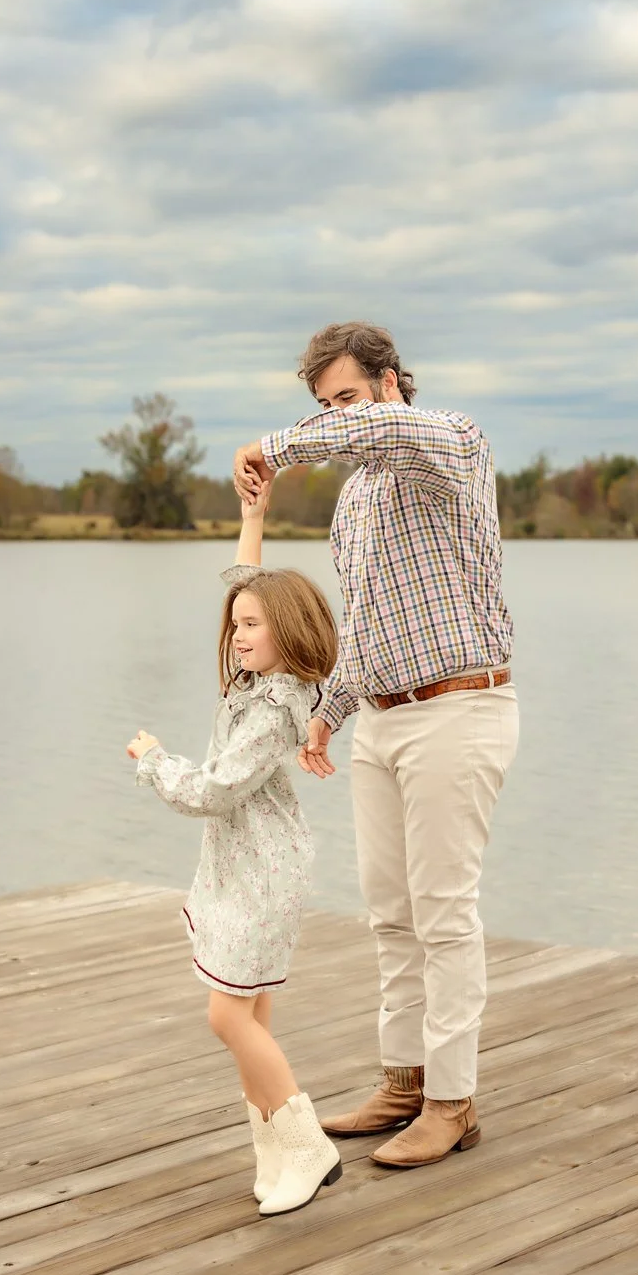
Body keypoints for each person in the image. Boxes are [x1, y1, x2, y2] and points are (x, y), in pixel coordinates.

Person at [233, 321, 518, 1170]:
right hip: (384, 719)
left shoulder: (452, 444)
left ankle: (452, 1101)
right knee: (390, 917)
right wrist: (331, 707)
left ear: (391, 383)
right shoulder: (354, 500)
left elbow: (378, 433)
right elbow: (364, 622)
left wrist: (275, 447)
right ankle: (402, 1083)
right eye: (320, 406)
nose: (336, 419)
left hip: (458, 712)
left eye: (346, 398)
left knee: (442, 914)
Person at [126, 492, 343, 1216]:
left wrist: (154, 760)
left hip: (259, 871)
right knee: (253, 1017)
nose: (237, 633)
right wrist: (252, 519)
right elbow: (242, 585)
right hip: (245, 864)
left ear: (285, 631)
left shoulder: (273, 708)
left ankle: (306, 1142)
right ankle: (272, 1151)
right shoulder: (263, 678)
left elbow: (212, 793)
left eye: (251, 626)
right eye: (237, 624)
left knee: (226, 1019)